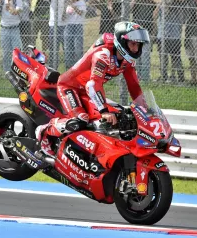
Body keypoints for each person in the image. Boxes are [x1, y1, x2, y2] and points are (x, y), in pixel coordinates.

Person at [35, 21, 150, 158]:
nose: (136, 49)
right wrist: (104, 111)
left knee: (115, 116)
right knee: (81, 119)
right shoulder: (103, 54)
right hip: (70, 87)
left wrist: (144, 108)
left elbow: (134, 86)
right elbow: (93, 84)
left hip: (88, 92)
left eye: (138, 45)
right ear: (122, 42)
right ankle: (45, 131)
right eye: (132, 44)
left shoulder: (127, 60)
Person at [63, 0, 87, 70]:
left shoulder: (81, 3)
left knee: (78, 47)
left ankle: (79, 67)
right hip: (69, 26)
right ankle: (69, 68)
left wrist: (73, 6)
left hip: (78, 26)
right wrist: (64, 8)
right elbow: (63, 18)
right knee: (68, 47)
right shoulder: (67, 4)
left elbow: (81, 13)